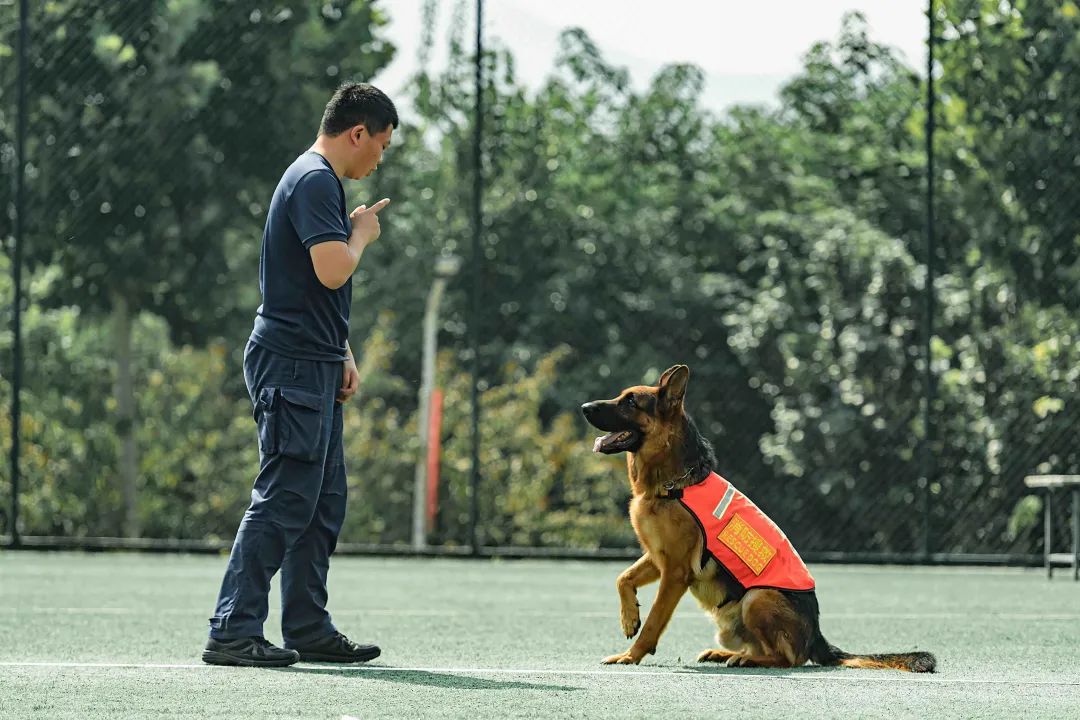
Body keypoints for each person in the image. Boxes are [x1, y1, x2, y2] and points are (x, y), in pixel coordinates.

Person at [202, 82, 397, 667]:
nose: (379, 158)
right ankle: (233, 629)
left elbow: (314, 289)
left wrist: (341, 351)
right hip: (289, 363)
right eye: (381, 145)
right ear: (357, 133)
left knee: (321, 501)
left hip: (313, 359)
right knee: (286, 496)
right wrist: (360, 235)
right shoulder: (315, 180)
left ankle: (308, 626)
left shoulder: (319, 181)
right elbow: (333, 269)